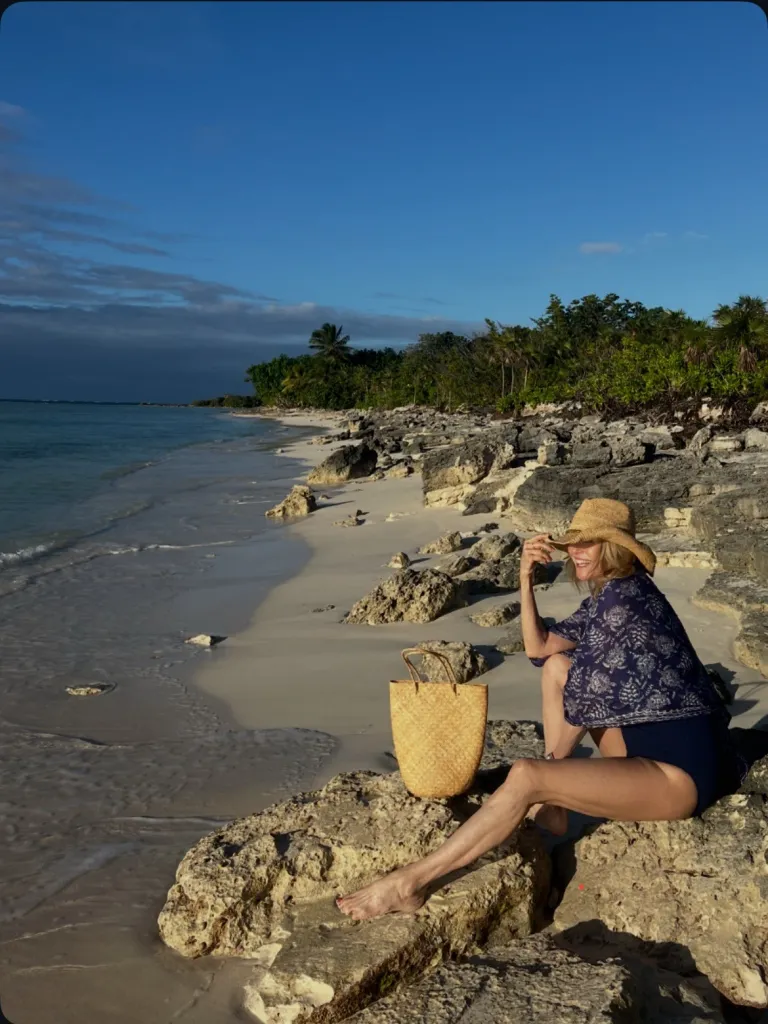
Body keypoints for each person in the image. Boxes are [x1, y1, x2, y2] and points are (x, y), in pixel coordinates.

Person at [336, 498, 745, 922]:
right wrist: (525, 577)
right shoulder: (613, 593)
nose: (575, 552)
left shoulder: (624, 606)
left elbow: (587, 698)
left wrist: (544, 772)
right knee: (557, 667)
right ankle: (554, 804)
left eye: (589, 544)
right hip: (653, 754)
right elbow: (540, 649)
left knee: (527, 775)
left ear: (615, 549)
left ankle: (410, 884)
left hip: (681, 780)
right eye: (572, 543)